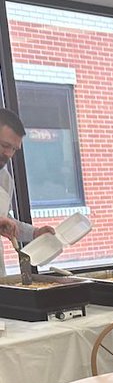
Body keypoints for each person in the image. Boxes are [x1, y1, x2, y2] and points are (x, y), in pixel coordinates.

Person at [0, 107, 54, 275]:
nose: (8, 154)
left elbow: (5, 219)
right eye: (4, 145)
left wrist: (34, 233)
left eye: (14, 149)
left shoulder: (5, 178)